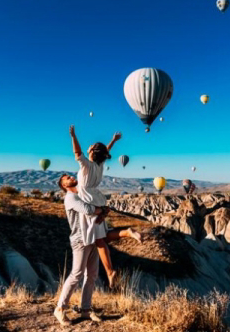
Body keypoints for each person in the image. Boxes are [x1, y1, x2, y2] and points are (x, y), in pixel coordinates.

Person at [69, 125, 142, 289]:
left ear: (93, 153)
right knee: (102, 236)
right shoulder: (100, 166)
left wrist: (73, 136)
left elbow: (77, 153)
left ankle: (109, 271)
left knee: (99, 240)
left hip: (88, 201)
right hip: (97, 199)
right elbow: (104, 152)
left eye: (92, 147)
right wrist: (113, 141)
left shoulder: (86, 166)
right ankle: (126, 233)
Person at [54, 174, 105, 326]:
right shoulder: (70, 198)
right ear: (64, 185)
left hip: (93, 237)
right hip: (80, 240)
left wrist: (101, 209)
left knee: (92, 275)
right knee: (77, 274)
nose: (70, 176)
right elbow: (88, 209)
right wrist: (101, 209)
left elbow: (99, 204)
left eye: (69, 175)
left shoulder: (83, 194)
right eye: (66, 178)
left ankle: (85, 309)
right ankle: (60, 308)